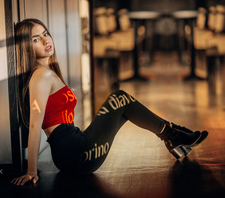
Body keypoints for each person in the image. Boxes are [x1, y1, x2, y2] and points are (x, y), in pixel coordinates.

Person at [11, 18, 208, 186]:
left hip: (73, 150)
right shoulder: (41, 76)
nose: (46, 40)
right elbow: (35, 124)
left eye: (46, 33)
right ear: (27, 47)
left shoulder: (48, 72)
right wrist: (31, 171)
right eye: (36, 39)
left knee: (122, 103)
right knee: (119, 98)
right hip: (75, 153)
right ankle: (173, 135)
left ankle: (172, 135)